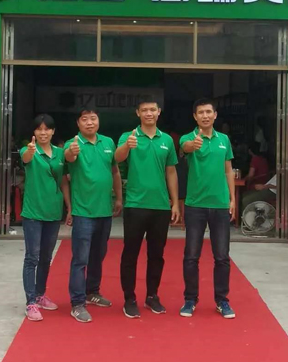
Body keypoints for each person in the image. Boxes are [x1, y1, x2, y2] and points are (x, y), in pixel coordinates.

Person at [115, 101, 180, 319]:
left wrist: (175, 202)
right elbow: (117, 158)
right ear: (138, 113)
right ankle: (129, 298)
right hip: (135, 205)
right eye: (144, 110)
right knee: (130, 254)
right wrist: (127, 146)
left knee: (156, 255)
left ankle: (152, 295)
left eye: (152, 110)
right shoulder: (128, 136)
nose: (149, 113)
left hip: (160, 206)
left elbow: (171, 172)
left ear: (159, 112)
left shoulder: (167, 140)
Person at [64, 106, 123, 323]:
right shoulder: (73, 144)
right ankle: (77, 303)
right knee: (80, 259)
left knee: (98, 255)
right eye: (85, 119)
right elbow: (69, 158)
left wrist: (119, 198)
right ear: (78, 123)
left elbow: (114, 171)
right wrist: (72, 152)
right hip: (83, 212)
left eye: (93, 118)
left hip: (104, 210)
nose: (89, 122)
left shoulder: (108, 142)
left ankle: (92, 292)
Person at [179, 98, 236, 320]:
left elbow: (228, 170)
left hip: (220, 205)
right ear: (195, 117)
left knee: (222, 256)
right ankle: (190, 299)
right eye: (201, 113)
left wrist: (232, 199)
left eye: (208, 112)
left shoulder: (224, 140)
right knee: (191, 256)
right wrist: (192, 145)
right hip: (195, 205)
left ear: (215, 115)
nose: (205, 116)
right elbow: (185, 148)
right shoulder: (188, 138)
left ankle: (222, 300)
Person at [20, 114, 71, 322]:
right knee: (32, 257)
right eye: (39, 129)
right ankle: (30, 302)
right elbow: (26, 158)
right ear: (34, 132)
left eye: (47, 129)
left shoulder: (60, 153)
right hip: (33, 212)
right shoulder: (28, 150)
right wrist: (30, 151)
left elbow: (64, 181)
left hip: (53, 211)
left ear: (53, 131)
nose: (43, 133)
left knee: (46, 257)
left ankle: (40, 294)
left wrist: (69, 206)